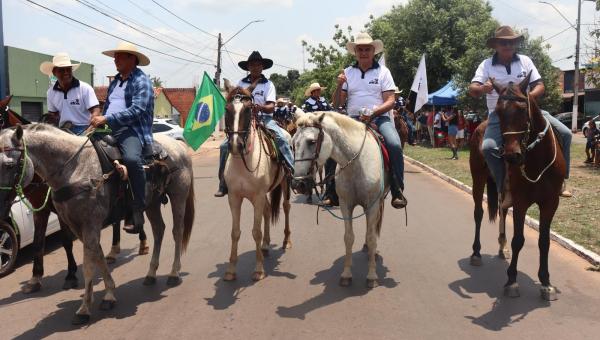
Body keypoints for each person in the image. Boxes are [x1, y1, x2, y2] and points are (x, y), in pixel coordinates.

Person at [468, 25, 573, 197]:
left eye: (511, 42)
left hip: (527, 110)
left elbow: (540, 85)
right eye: (503, 43)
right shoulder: (486, 65)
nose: (508, 46)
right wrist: (482, 88)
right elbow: (473, 88)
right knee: (488, 148)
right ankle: (504, 188)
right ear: (496, 45)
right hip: (500, 114)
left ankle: (561, 180)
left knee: (566, 134)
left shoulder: (525, 61)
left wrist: (528, 98)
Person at [333, 32, 407, 209]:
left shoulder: (383, 72)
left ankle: (397, 189)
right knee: (331, 142)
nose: (364, 52)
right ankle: (330, 190)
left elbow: (390, 100)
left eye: (367, 49)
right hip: (352, 120)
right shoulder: (347, 73)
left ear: (374, 51)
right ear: (355, 52)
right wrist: (338, 85)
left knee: (395, 144)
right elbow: (337, 103)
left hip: (379, 118)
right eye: (360, 49)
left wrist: (374, 113)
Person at [90, 42, 154, 234]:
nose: (115, 60)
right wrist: (97, 120)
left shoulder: (141, 81)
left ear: (132, 59)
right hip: (108, 127)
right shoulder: (116, 81)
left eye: (119, 57)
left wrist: (106, 118)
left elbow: (137, 110)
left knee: (132, 160)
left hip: (131, 129)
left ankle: (137, 209)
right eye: (115, 57)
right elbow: (109, 106)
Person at [215, 51, 294, 197]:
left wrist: (259, 107)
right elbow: (234, 102)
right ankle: (223, 182)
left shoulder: (268, 85)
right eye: (252, 65)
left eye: (258, 65)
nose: (255, 67)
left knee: (282, 138)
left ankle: (291, 170)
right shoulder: (241, 83)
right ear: (248, 67)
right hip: (245, 120)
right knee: (224, 145)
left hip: (265, 119)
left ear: (262, 67)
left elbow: (271, 106)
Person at [41, 52, 100, 134]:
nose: (66, 72)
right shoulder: (51, 92)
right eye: (61, 70)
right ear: (54, 72)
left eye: (68, 69)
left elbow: (95, 111)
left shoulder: (85, 88)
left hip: (84, 127)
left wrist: (90, 128)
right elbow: (53, 116)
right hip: (63, 130)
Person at [302, 82, 337, 206]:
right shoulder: (307, 103)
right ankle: (307, 189)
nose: (318, 92)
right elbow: (305, 116)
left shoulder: (324, 101)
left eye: (319, 90)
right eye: (316, 90)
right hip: (312, 129)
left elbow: (330, 112)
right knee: (307, 154)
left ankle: (330, 191)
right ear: (312, 92)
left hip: (325, 128)